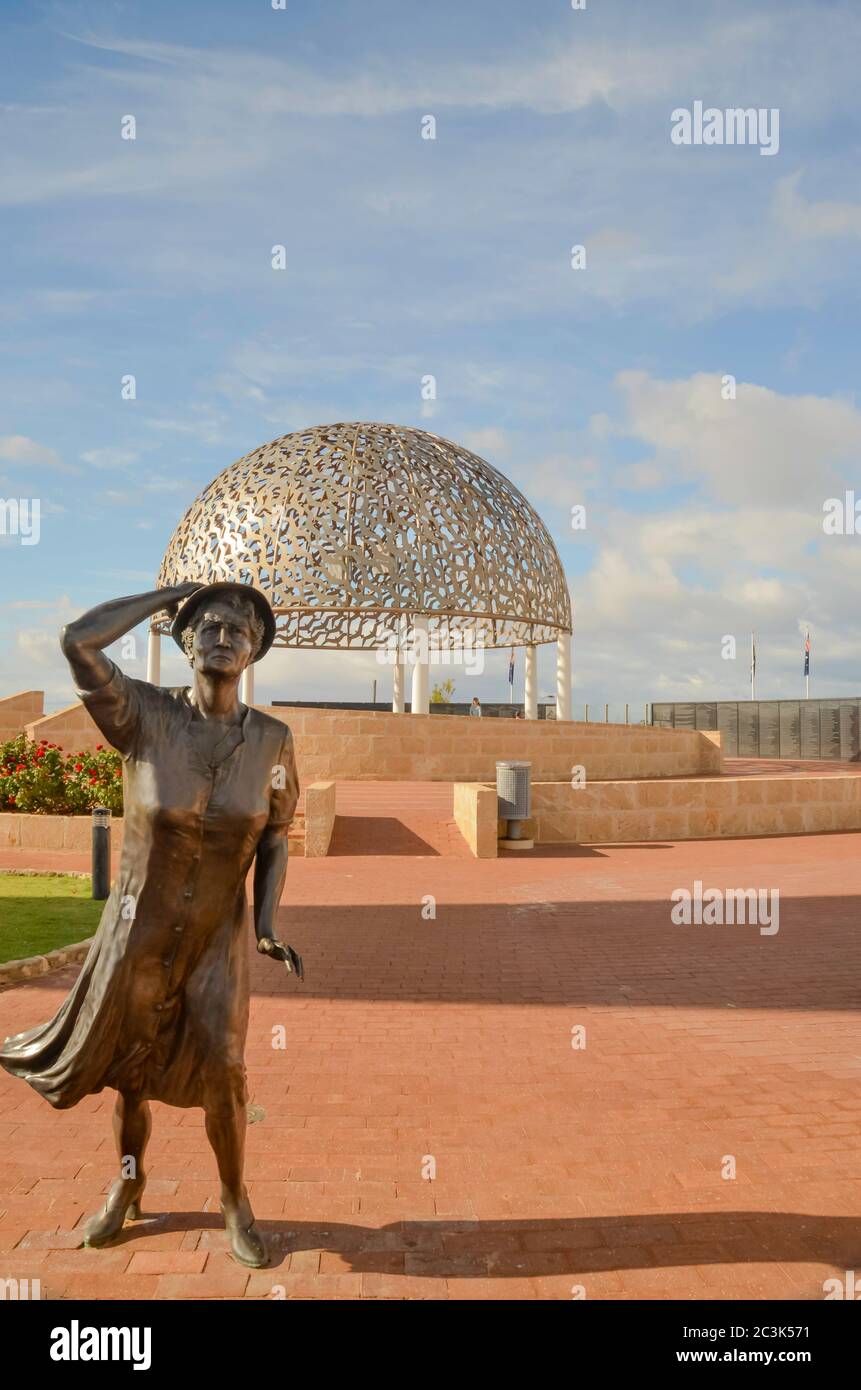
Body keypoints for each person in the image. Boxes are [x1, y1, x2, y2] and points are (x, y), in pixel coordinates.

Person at [0, 580, 300, 1268]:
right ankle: (128, 1189)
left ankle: (234, 1201)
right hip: (138, 929)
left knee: (224, 1070)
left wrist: (265, 922)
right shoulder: (141, 716)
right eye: (210, 628)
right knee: (131, 1073)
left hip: (215, 939)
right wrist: (167, 595)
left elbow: (278, 835)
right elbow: (78, 640)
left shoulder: (274, 743)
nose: (224, 639)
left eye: (238, 631)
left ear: (254, 651)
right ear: (185, 640)